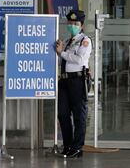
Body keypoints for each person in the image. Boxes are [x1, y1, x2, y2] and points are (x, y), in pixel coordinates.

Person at [56, 9, 92, 158]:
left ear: (81, 25)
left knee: (79, 115)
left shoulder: (85, 40)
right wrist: (59, 51)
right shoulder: (67, 41)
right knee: (63, 114)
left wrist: (61, 53)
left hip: (78, 81)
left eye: (75, 23)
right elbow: (62, 60)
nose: (72, 25)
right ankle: (68, 145)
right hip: (64, 81)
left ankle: (77, 147)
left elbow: (79, 60)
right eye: (70, 23)